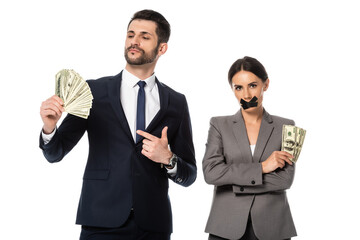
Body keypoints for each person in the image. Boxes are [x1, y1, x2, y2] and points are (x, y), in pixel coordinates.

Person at [39, 9, 196, 240]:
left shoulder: (176, 102)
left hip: (153, 225)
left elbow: (189, 175)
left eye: (145, 36)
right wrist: (50, 128)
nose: (134, 41)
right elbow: (55, 154)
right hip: (100, 220)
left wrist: (168, 158)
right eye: (131, 34)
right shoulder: (93, 92)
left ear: (162, 48)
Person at [202, 56, 297, 240]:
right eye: (239, 87)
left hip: (273, 228)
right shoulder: (219, 125)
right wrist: (262, 168)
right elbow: (211, 173)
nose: (246, 95)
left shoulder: (287, 127)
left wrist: (234, 183)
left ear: (266, 84)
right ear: (232, 89)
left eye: (252, 85)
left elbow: (284, 180)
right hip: (225, 227)